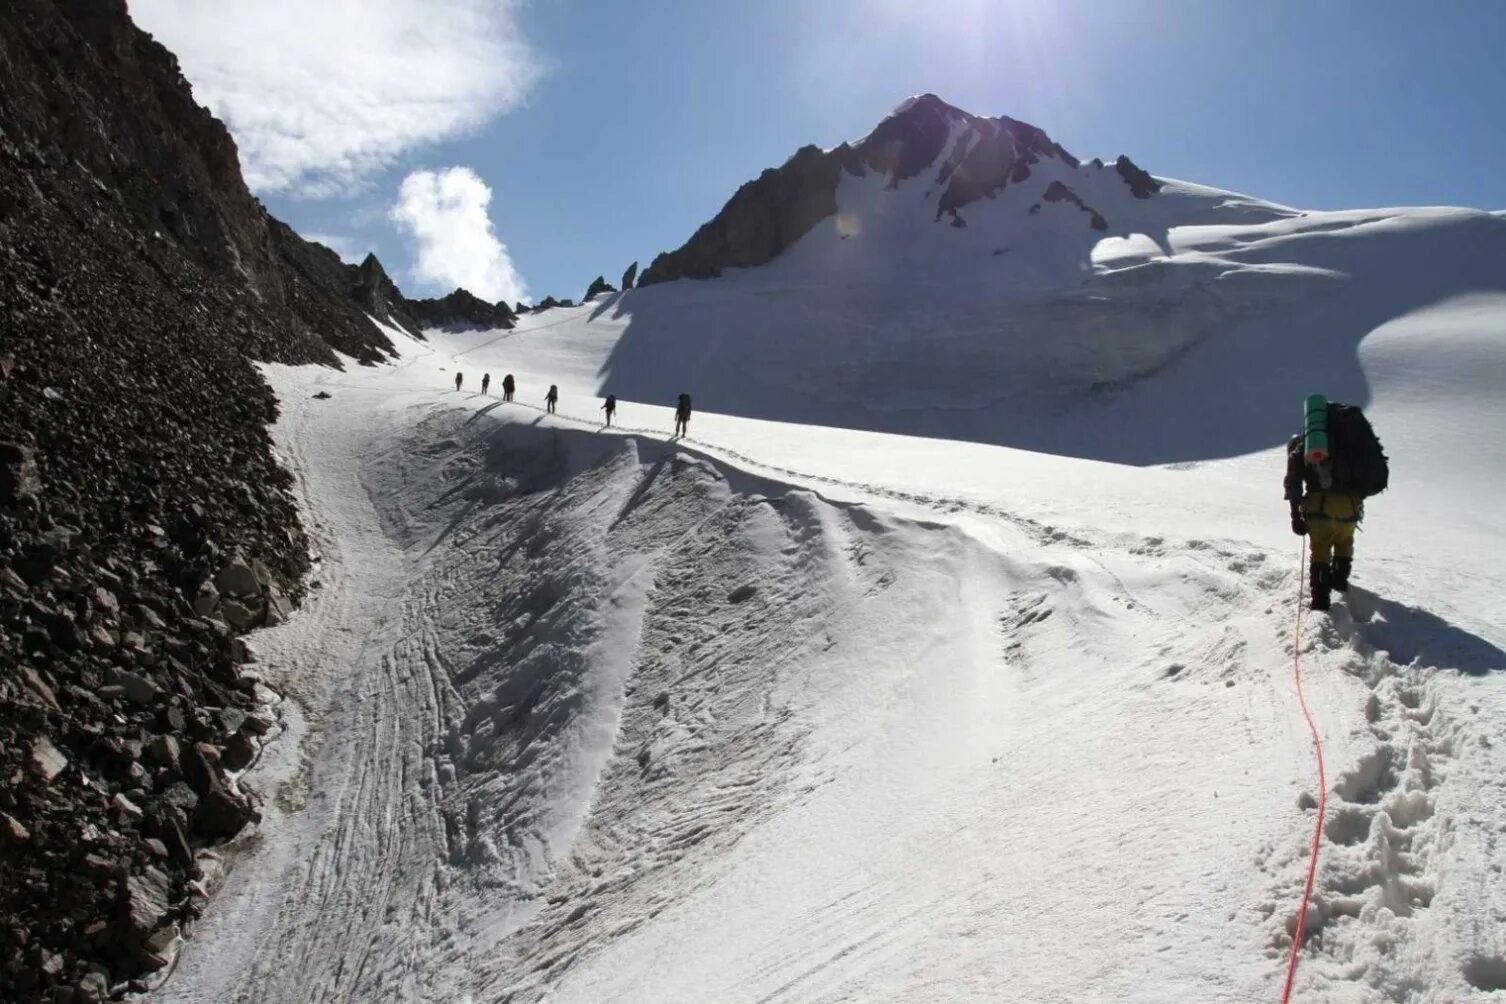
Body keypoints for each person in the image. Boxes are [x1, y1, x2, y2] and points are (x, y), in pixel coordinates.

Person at [1285, 432, 1360, 612]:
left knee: (1321, 551)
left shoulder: (1302, 450)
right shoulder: (1345, 446)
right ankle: (1339, 583)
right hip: (1350, 507)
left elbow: (1293, 482)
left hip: (1321, 507)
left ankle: (1320, 601)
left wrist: (1295, 515)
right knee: (1344, 543)